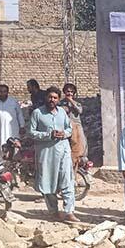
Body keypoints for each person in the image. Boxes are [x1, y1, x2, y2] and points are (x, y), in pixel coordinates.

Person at [28, 86, 79, 222]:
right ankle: (53, 211)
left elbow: (69, 128)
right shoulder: (37, 113)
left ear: (58, 99)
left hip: (63, 151)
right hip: (46, 154)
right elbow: (31, 132)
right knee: (48, 182)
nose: (52, 100)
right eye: (50, 97)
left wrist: (64, 134)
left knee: (67, 180)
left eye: (55, 98)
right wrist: (48, 135)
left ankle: (69, 212)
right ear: (46, 98)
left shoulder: (62, 112)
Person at [0, 84, 24, 160]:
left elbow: (19, 114)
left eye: (4, 91)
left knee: (15, 146)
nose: (3, 93)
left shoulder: (13, 101)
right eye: (1, 91)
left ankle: (15, 164)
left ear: (7, 92)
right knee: (1, 146)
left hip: (13, 129)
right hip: (0, 130)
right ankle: (3, 164)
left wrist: (22, 126)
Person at [59, 83, 88, 169]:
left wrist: (71, 101)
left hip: (77, 126)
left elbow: (80, 111)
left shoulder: (77, 103)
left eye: (71, 92)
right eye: (68, 91)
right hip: (65, 127)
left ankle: (79, 163)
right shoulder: (61, 103)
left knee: (80, 144)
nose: (70, 93)